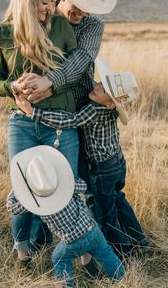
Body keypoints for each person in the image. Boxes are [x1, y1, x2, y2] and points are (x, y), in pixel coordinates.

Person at [0, 0, 80, 261]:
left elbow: (77, 75)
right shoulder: (1, 33)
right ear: (26, 0)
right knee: (23, 190)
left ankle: (75, 252)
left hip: (60, 124)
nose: (49, 8)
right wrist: (12, 86)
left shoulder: (62, 27)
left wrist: (50, 89)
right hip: (22, 124)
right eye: (43, 2)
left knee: (68, 189)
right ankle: (23, 253)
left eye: (52, 2)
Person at [14, 57, 149, 257]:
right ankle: (139, 240)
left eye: (103, 90)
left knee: (105, 213)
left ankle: (123, 254)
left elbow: (70, 120)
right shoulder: (108, 108)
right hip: (117, 162)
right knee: (119, 199)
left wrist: (34, 113)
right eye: (101, 83)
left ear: (112, 103)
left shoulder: (95, 110)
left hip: (103, 169)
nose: (96, 86)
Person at [7, 145, 125, 287]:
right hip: (92, 231)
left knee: (59, 259)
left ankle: (67, 285)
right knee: (106, 253)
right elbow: (83, 186)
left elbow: (11, 207)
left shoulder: (35, 203)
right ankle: (122, 278)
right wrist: (63, 177)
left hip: (72, 242)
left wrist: (17, 189)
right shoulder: (67, 187)